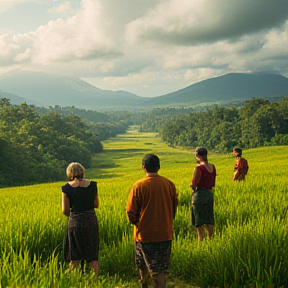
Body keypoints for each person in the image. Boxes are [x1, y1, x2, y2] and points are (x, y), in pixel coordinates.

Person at [126, 154, 178, 288]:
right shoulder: (169, 184)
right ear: (159, 167)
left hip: (144, 235)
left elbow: (131, 213)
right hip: (165, 233)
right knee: (160, 269)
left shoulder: (138, 185)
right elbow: (173, 208)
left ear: (143, 167)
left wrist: (139, 224)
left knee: (143, 265)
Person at [61, 162, 99, 276]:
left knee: (74, 255)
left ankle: (73, 280)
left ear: (70, 173)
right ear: (82, 171)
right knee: (93, 256)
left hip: (75, 221)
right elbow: (96, 204)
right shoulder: (92, 185)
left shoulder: (66, 188)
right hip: (91, 220)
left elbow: (65, 211)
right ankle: (96, 281)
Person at [190, 147, 216, 241]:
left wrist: (192, 187)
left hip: (199, 195)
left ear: (197, 156)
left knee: (199, 223)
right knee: (209, 220)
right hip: (209, 194)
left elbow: (194, 184)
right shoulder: (212, 167)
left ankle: (201, 242)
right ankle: (211, 241)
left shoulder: (198, 168)